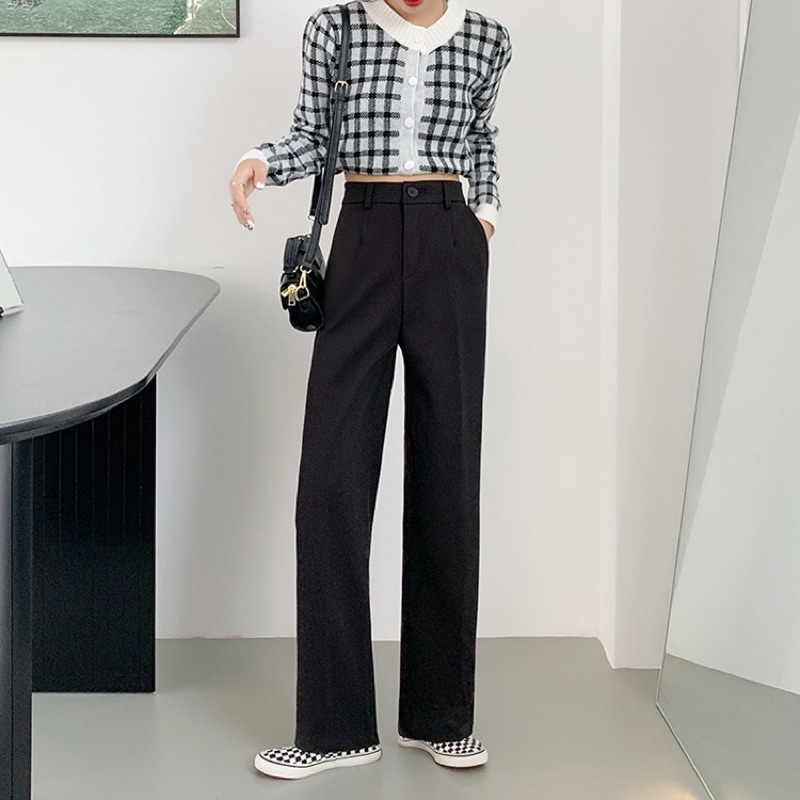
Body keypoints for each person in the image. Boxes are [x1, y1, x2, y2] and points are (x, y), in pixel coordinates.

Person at [228, 0, 512, 780]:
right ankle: (333, 729)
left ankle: (441, 716)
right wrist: (259, 160)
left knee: (449, 472)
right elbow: (313, 135)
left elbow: (481, 137)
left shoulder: (487, 38)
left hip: (450, 239)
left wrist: (484, 217)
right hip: (361, 230)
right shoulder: (337, 27)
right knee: (330, 482)